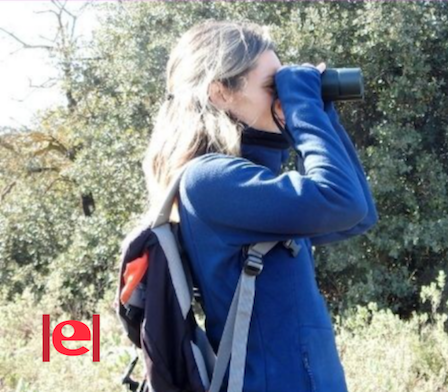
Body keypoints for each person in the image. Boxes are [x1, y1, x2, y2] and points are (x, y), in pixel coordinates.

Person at [141, 19, 379, 392]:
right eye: (273, 85)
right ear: (220, 92)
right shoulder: (210, 180)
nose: (283, 95)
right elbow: (340, 200)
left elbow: (358, 213)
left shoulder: (245, 181)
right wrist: (304, 108)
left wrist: (321, 111)